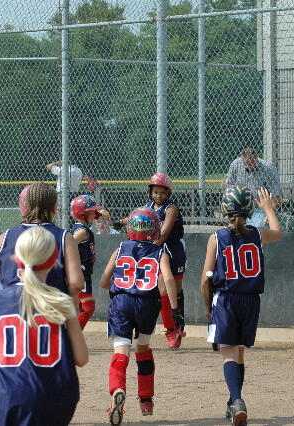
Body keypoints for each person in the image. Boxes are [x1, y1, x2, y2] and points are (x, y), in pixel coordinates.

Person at [0, 226, 88, 426]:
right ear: (54, 260)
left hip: (5, 395)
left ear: (17, 259)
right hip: (53, 397)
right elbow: (81, 358)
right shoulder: (62, 302)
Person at [200, 186, 282, 426]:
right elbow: (278, 232)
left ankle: (237, 400)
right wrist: (268, 209)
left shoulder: (217, 238)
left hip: (226, 299)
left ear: (224, 209)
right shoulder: (257, 234)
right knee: (239, 352)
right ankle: (232, 402)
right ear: (248, 210)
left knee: (228, 353)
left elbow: (205, 279)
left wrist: (208, 308)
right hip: (251, 301)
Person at [99, 208, 179, 425]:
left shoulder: (121, 248)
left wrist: (117, 285)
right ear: (154, 229)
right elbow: (168, 280)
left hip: (122, 302)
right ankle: (145, 400)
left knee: (120, 351)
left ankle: (117, 390)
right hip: (147, 304)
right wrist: (174, 310)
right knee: (142, 348)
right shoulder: (160, 251)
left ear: (130, 228)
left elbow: (104, 281)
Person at [0, 182, 84, 297]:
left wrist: (6, 274)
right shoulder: (64, 237)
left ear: (25, 207)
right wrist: (65, 301)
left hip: (13, 304)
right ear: (54, 208)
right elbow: (76, 283)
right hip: (50, 304)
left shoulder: (6, 236)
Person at [145, 172, 187, 350]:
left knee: (175, 290)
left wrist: (146, 243)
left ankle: (179, 323)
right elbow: (135, 218)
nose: (158, 196)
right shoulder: (148, 207)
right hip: (158, 250)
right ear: (150, 192)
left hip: (173, 250)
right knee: (163, 289)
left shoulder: (171, 209)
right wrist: (123, 221)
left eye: (162, 192)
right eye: (155, 192)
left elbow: (163, 234)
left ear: (168, 193)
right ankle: (171, 329)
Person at [70, 194, 109, 329]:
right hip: (80, 274)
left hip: (84, 274)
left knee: (80, 308)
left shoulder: (82, 227)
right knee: (88, 307)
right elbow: (66, 245)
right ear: (83, 214)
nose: (95, 214)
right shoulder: (82, 231)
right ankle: (71, 337)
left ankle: (69, 335)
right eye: (91, 212)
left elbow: (101, 216)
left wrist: (98, 213)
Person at [225, 147, 283, 227]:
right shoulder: (236, 165)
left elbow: (276, 195)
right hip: (242, 208)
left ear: (256, 157)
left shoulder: (268, 168)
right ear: (242, 158)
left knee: (257, 228)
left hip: (262, 209)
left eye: (252, 161)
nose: (250, 165)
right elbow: (228, 188)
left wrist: (270, 213)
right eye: (247, 163)